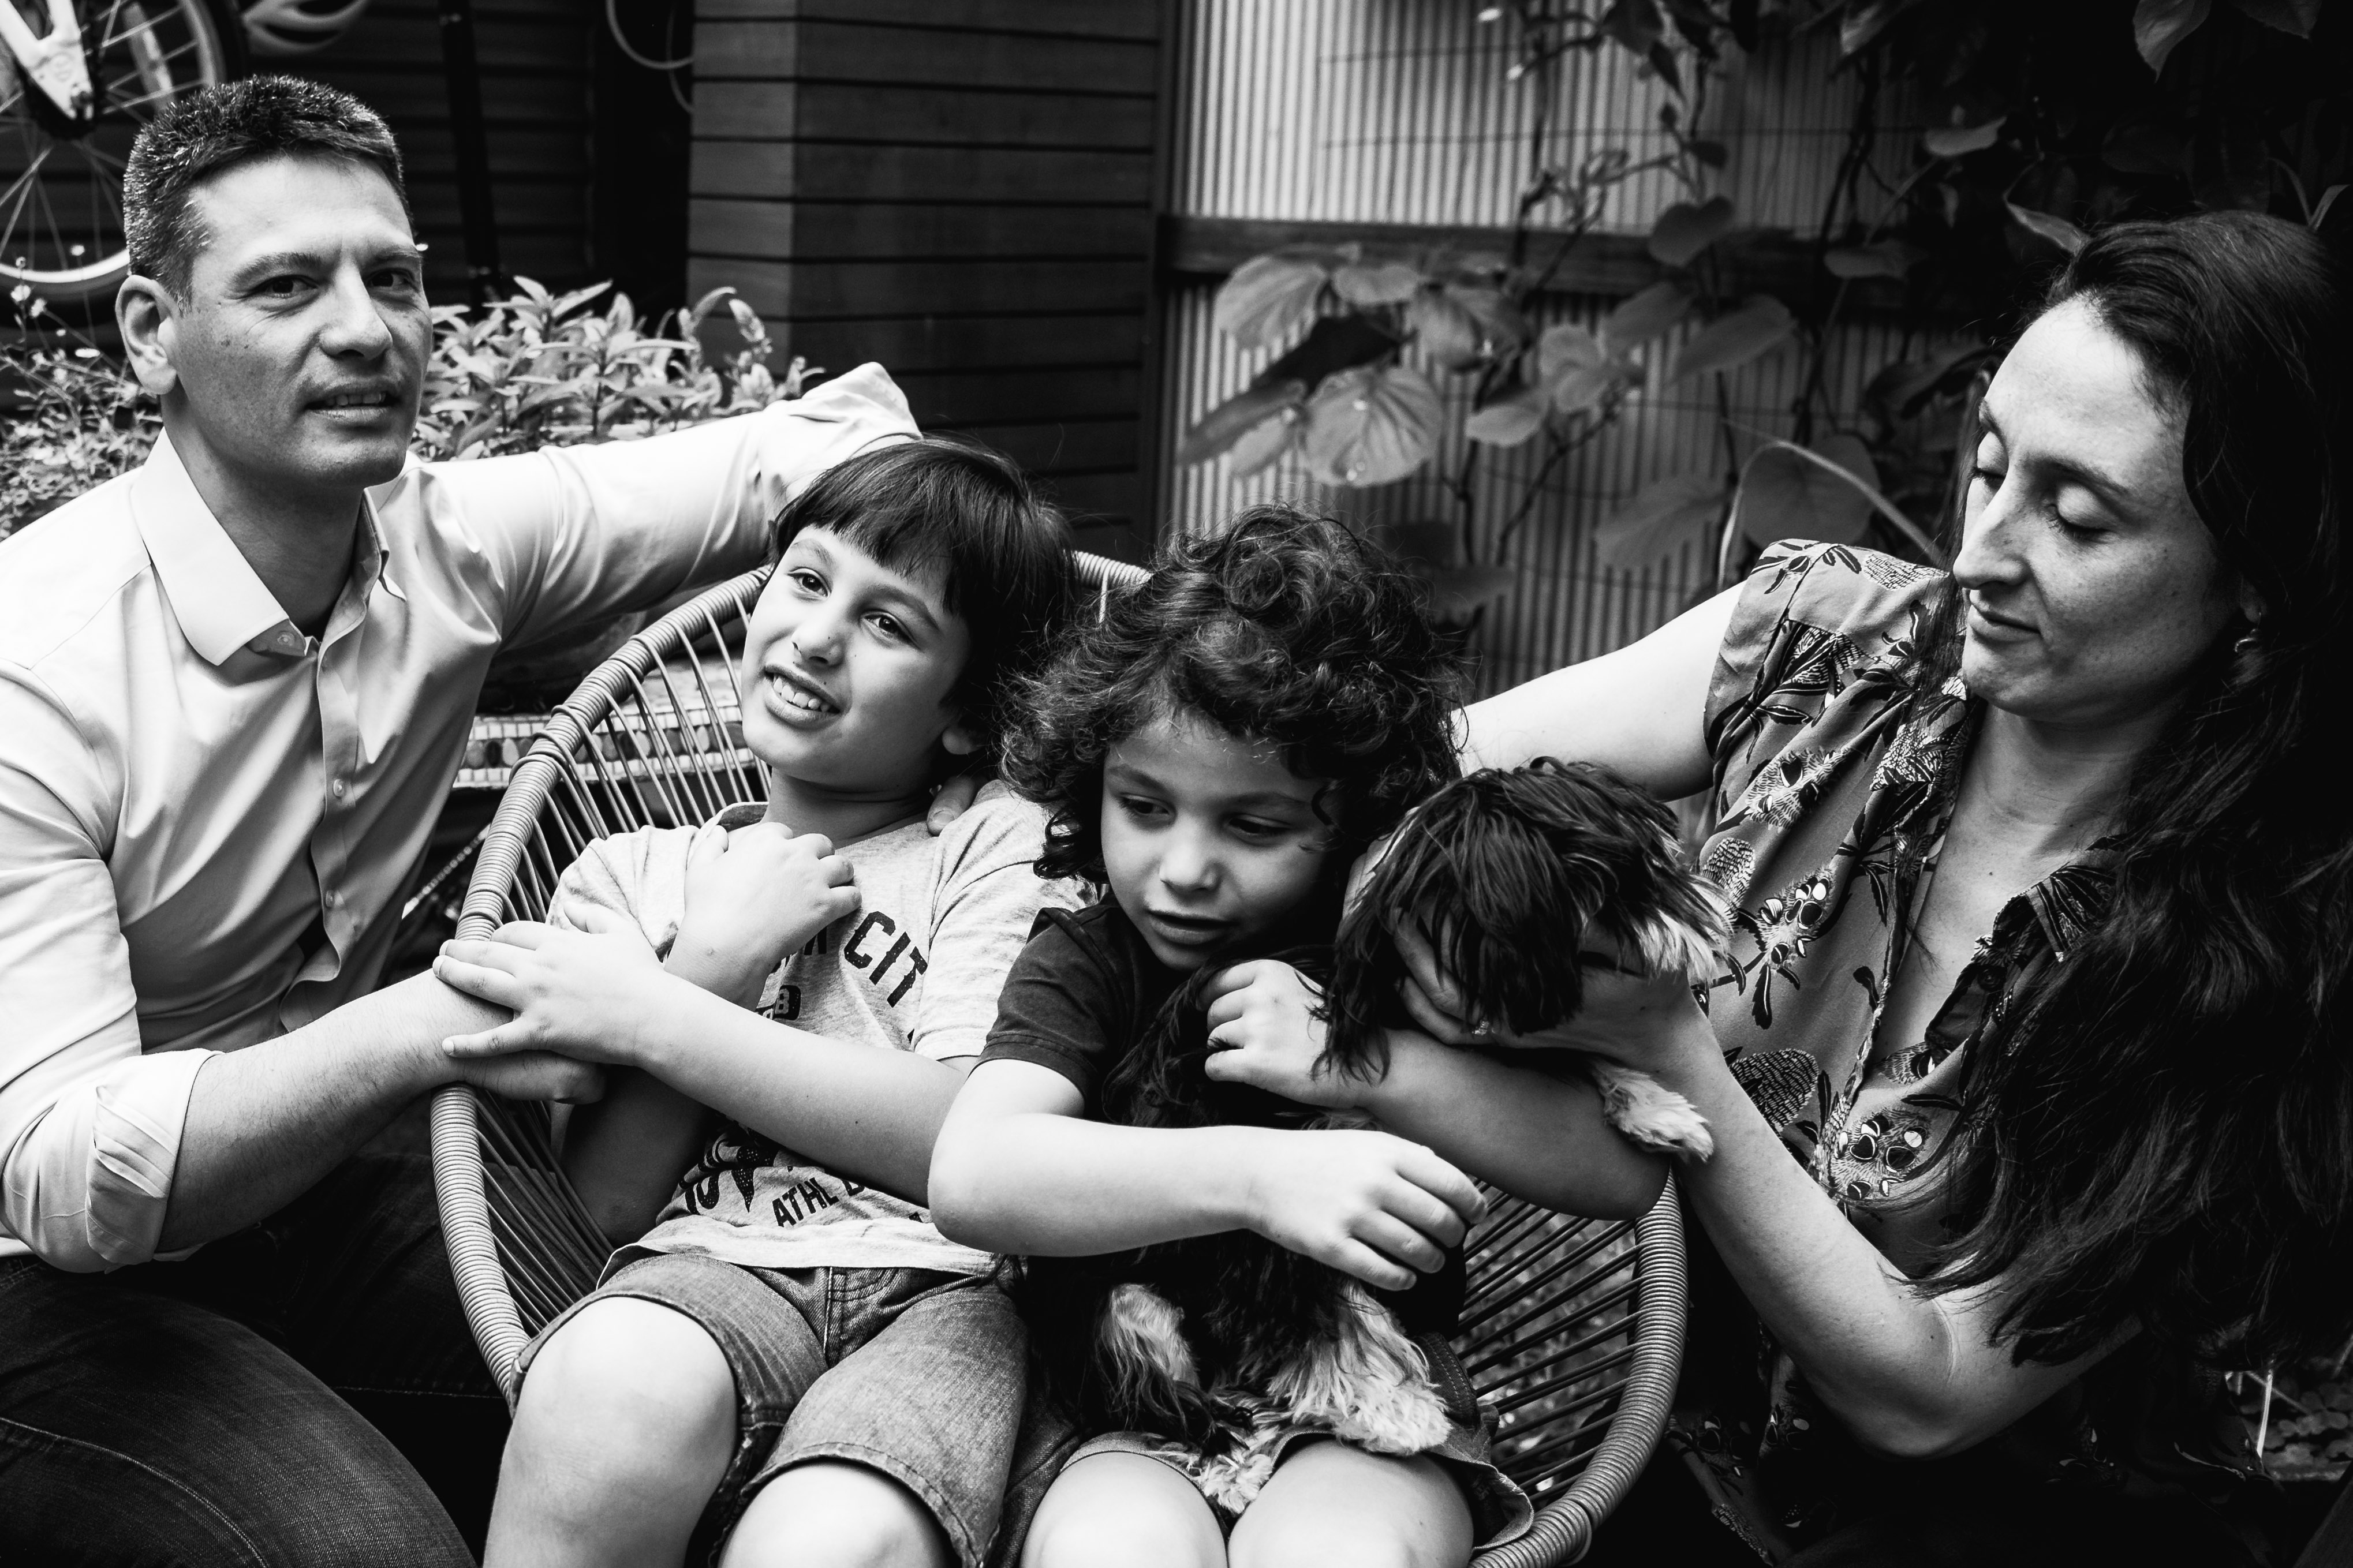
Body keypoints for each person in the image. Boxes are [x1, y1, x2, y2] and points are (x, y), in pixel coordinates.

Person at [0, 77, 915, 1565]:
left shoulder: (452, 545)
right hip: (48, 1284)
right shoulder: (33, 669)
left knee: (672, 1433)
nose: (364, 329)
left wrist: (990, 648)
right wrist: (435, 1022)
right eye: (287, 285)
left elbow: (827, 439)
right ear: (152, 333)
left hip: (330, 1190)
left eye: (394, 278)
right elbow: (57, 1174)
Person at [1426, 210, 2353, 1565]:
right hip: (1629, 1455)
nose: (1977, 551)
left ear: (2254, 583)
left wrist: (1667, 1049)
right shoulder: (1833, 645)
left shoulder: (2257, 949)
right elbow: (1406, 782)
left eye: (2075, 517)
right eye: (1988, 467)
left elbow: (1928, 1394)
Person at [926, 508, 1666, 1568]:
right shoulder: (1087, 963)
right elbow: (975, 1174)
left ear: (1355, 819)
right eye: (1143, 805)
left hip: (1378, 1393)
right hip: (1146, 1404)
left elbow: (1619, 1175)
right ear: (1093, 782)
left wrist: (1356, 1064)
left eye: (1254, 825)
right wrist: (1260, 1176)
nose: (1184, 869)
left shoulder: (1397, 952)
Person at [425, 437, 1078, 1568]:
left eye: (890, 624)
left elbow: (968, 1144)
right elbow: (610, 1197)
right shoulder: (629, 877)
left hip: (950, 1292)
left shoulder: (992, 846)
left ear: (969, 712)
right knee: (600, 1390)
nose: (818, 635)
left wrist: (654, 1018)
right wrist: (715, 957)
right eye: (809, 579)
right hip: (703, 1268)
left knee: (830, 1542)